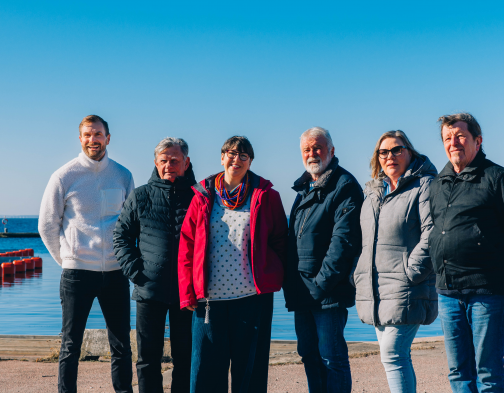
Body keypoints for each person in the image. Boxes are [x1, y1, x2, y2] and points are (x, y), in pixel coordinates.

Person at [428, 113, 504, 392]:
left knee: (487, 373)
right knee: (458, 373)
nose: (454, 143)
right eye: (447, 138)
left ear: (478, 140)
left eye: (461, 136)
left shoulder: (499, 179)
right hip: (448, 293)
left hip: (488, 292)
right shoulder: (437, 184)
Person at [178, 136, 287, 393]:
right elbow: (187, 246)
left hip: (252, 299)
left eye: (243, 156)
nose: (235, 159)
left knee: (249, 374)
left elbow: (280, 241)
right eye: (231, 153)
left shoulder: (268, 196)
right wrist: (187, 293)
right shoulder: (203, 195)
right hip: (209, 302)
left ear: (250, 162)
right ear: (222, 157)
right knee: (206, 373)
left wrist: (273, 275)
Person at [38, 115, 134, 393]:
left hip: (116, 273)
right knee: (71, 344)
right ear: (80, 139)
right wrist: (68, 260)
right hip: (77, 274)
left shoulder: (123, 175)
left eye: (99, 134)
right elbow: (47, 224)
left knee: (121, 344)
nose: (94, 140)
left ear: (108, 138)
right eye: (88, 135)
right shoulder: (64, 176)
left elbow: (131, 224)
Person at [354, 130, 438, 393]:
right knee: (395, 357)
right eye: (383, 152)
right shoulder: (373, 194)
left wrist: (411, 271)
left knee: (392, 354)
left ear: (410, 152)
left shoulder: (424, 186)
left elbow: (433, 232)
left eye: (397, 150)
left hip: (406, 286)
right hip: (376, 289)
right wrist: (358, 275)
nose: (390, 156)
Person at [113, 137, 196, 393]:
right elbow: (121, 236)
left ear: (186, 162)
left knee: (186, 359)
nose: (169, 165)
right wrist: (137, 272)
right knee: (148, 360)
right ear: (155, 163)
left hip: (189, 293)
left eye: (175, 160)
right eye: (164, 161)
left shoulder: (200, 196)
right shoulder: (141, 196)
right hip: (149, 290)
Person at [283, 127, 363, 393]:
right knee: (309, 354)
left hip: (327, 293)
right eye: (306, 149)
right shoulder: (305, 188)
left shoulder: (345, 186)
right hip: (302, 291)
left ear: (331, 150)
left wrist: (319, 285)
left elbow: (343, 243)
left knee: (332, 358)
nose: (312, 153)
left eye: (317, 147)